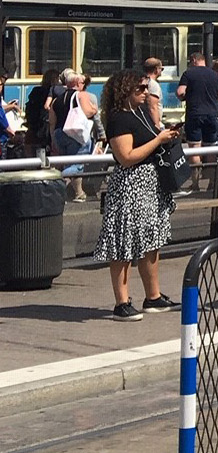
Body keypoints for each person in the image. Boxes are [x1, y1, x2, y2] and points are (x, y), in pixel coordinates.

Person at [93, 69, 181, 322]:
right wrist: (158, 139)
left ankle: (153, 296)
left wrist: (165, 136)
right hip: (131, 184)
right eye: (140, 89)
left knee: (150, 239)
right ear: (125, 92)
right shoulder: (118, 118)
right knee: (124, 241)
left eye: (146, 88)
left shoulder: (141, 112)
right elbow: (126, 157)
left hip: (150, 183)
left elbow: (148, 142)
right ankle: (122, 302)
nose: (146, 93)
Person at [50, 69, 99, 201]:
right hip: (75, 134)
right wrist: (94, 109)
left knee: (67, 162)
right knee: (76, 164)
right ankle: (57, 187)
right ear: (77, 83)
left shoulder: (56, 100)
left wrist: (53, 140)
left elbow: (52, 123)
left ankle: (78, 193)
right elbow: (87, 112)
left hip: (60, 134)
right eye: (83, 82)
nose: (84, 84)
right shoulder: (81, 95)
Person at [176, 53, 218, 188]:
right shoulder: (215, 75)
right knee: (210, 148)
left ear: (194, 60)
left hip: (194, 114)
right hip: (212, 115)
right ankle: (212, 182)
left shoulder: (188, 74)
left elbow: (180, 92)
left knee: (194, 148)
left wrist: (186, 97)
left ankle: (195, 182)